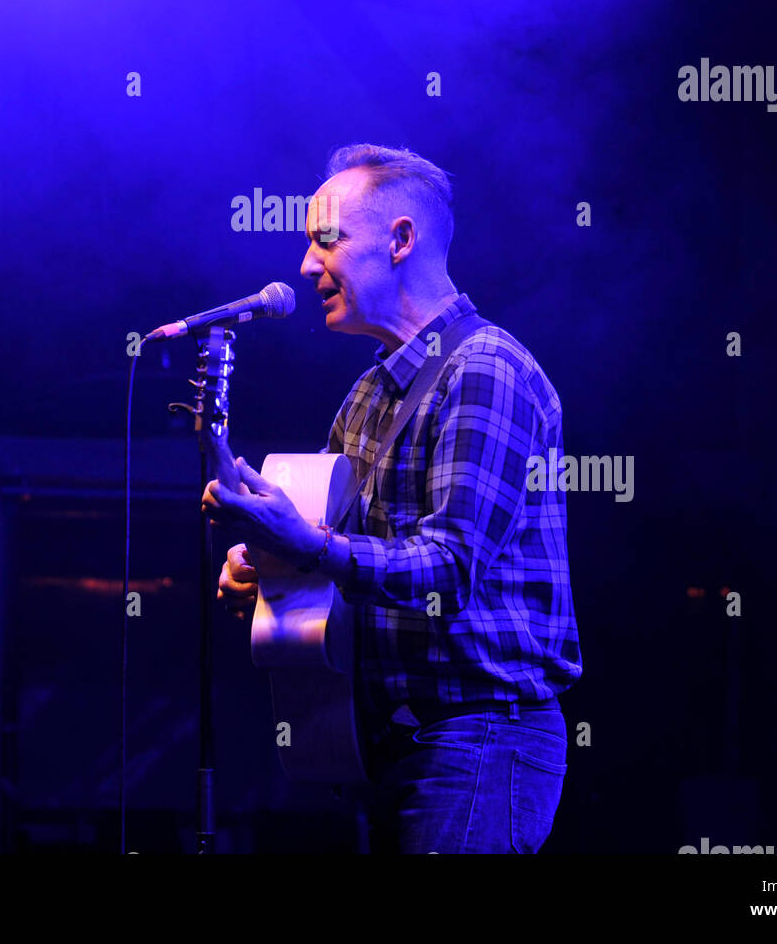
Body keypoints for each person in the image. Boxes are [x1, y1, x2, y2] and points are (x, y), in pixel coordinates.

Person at [203, 143, 582, 854]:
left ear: (400, 239)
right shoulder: (370, 392)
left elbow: (449, 567)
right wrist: (263, 563)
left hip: (478, 735)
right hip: (391, 740)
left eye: (326, 241)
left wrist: (306, 545)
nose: (306, 266)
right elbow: (330, 551)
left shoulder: (486, 369)